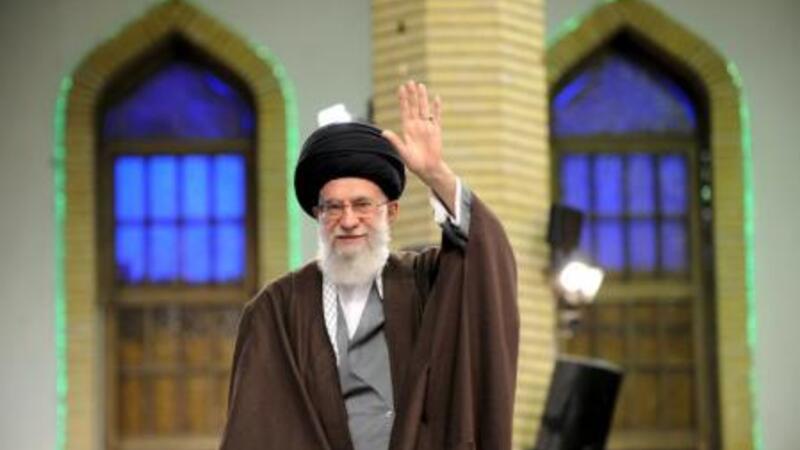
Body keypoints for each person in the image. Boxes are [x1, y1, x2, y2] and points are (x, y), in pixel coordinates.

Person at [219, 81, 519, 450]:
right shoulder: (277, 309)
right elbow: (256, 429)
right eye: (333, 207)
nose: (348, 220)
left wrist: (436, 173)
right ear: (317, 214)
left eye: (362, 205)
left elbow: (483, 257)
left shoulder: (426, 281)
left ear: (391, 212)